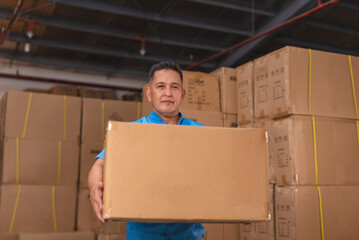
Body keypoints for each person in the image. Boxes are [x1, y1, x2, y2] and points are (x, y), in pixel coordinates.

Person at [88, 62, 205, 240]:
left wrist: (243, 206)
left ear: (182, 94)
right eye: (160, 87)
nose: (168, 93)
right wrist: (95, 187)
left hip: (188, 235)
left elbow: (221, 172)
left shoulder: (200, 133)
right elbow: (100, 164)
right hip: (143, 235)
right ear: (149, 94)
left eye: (174, 87)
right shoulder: (131, 132)